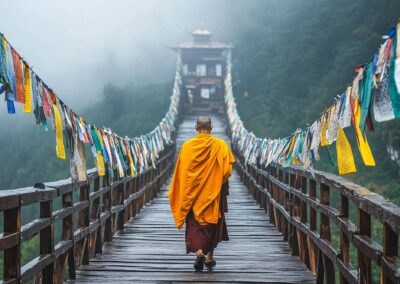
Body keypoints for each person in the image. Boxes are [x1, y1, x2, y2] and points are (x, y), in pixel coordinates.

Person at [168, 116, 235, 271]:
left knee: (195, 224)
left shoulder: (187, 146)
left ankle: (199, 252)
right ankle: (209, 257)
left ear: (196, 128)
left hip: (193, 195)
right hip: (213, 192)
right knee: (213, 224)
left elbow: (182, 172)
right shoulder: (220, 145)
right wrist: (215, 180)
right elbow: (227, 171)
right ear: (211, 128)